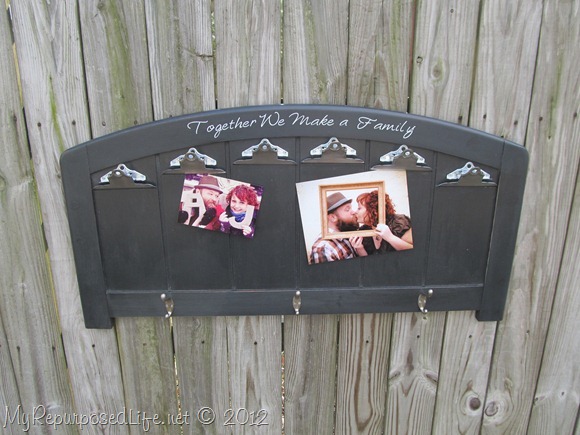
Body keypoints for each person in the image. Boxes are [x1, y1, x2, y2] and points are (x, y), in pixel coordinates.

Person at [353, 190, 413, 256]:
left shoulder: (399, 222)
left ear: (373, 210)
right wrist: (360, 248)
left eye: (359, 208)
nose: (355, 212)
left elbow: (415, 251)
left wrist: (390, 237)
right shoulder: (364, 231)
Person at [309, 192, 361, 263]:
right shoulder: (323, 249)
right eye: (347, 209)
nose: (354, 212)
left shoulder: (346, 233)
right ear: (333, 217)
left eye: (351, 208)